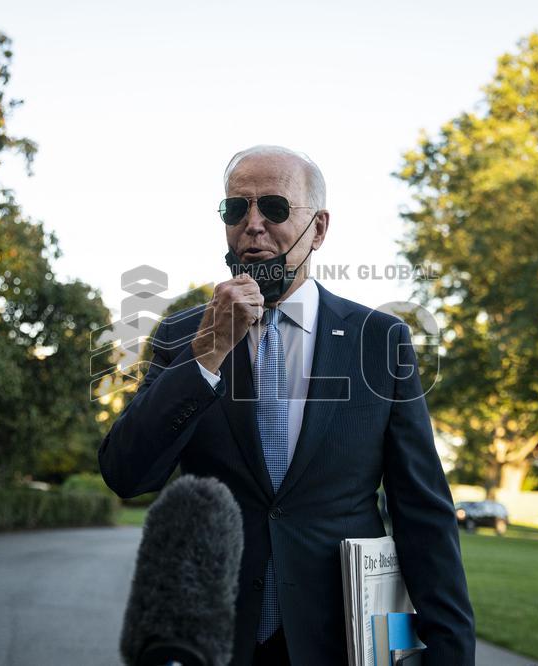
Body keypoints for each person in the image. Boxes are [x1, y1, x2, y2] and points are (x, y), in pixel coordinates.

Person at [99, 145, 475, 665]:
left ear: (318, 229)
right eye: (236, 209)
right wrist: (207, 355)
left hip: (340, 639)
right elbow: (126, 473)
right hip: (215, 639)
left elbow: (423, 512)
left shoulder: (379, 339)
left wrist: (450, 653)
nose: (252, 225)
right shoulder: (183, 334)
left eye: (274, 208)